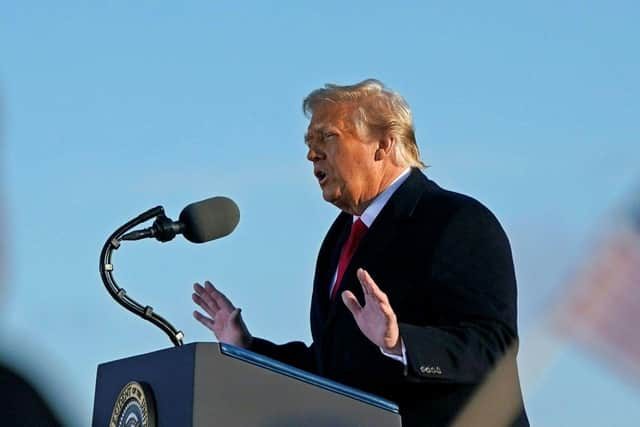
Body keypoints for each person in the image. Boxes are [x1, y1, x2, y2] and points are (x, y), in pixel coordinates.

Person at [192, 79, 529, 427]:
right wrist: (248, 348)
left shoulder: (455, 220)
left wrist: (401, 343)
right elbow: (331, 367)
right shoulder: (338, 238)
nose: (312, 154)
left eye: (327, 137)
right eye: (309, 143)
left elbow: (493, 346)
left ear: (383, 144)